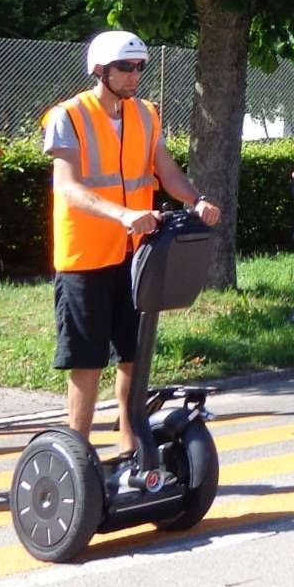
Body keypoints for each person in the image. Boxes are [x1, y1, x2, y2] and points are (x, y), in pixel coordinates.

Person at [43, 31, 220, 457]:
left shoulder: (146, 114)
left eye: (140, 67)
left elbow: (165, 169)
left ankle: (130, 444)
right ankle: (78, 455)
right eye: (126, 67)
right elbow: (67, 186)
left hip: (136, 254)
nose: (134, 75)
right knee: (86, 360)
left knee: (133, 353)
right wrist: (122, 214)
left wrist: (195, 200)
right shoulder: (68, 115)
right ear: (100, 70)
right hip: (84, 256)